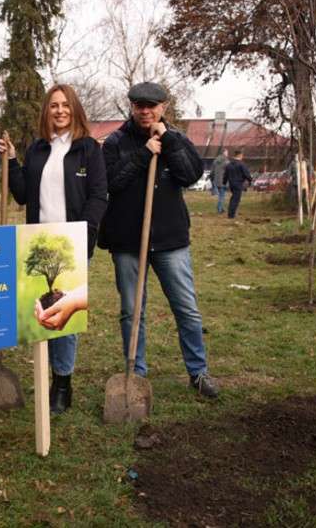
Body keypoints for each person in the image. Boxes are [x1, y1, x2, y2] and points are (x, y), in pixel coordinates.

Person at [98, 82, 219, 399]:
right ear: (132, 107)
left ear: (163, 107)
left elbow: (190, 175)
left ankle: (198, 371)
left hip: (170, 240)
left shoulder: (176, 138)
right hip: (127, 241)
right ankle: (136, 373)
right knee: (131, 311)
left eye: (151, 106)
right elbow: (111, 182)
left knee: (186, 308)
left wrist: (168, 140)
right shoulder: (115, 142)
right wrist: (143, 154)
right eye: (139, 105)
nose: (145, 111)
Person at [0, 84, 107, 414]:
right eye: (54, 105)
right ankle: (44, 375)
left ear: (75, 109)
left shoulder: (88, 149)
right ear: (46, 111)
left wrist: (85, 233)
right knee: (42, 314)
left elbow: (98, 195)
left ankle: (62, 384)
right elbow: (22, 194)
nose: (60, 111)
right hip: (39, 241)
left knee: (66, 317)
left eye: (65, 105)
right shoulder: (37, 149)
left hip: (72, 241)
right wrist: (13, 160)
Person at [223, 150, 252, 219]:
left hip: (231, 184)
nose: (242, 157)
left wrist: (224, 182)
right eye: (242, 155)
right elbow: (246, 174)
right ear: (239, 155)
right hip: (238, 184)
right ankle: (231, 215)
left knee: (233, 198)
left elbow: (225, 175)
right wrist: (250, 180)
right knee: (236, 199)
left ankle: (231, 213)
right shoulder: (241, 164)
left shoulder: (229, 165)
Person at [211, 148, 229, 213]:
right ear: (224, 152)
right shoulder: (226, 161)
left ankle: (221, 207)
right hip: (223, 181)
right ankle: (219, 209)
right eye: (227, 152)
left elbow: (212, 171)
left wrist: (212, 179)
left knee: (221, 195)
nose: (227, 154)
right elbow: (229, 171)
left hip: (216, 181)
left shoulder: (215, 161)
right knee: (222, 196)